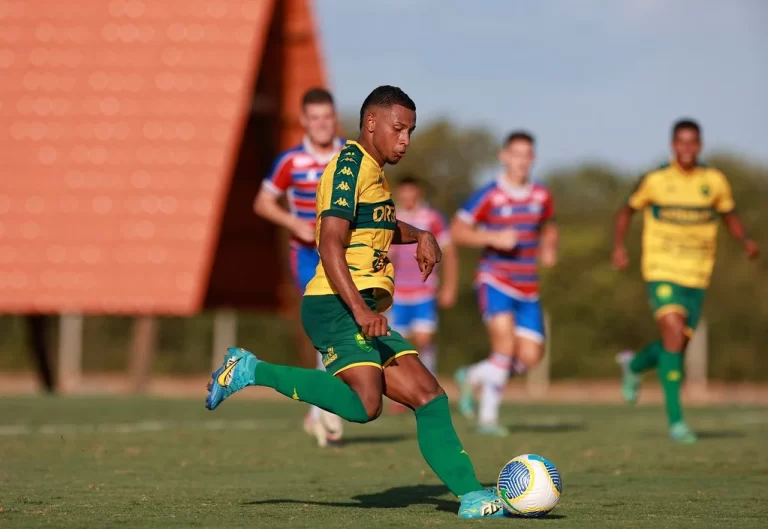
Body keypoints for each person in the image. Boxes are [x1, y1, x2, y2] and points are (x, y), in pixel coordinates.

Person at [206, 85, 506, 519]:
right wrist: (362, 310)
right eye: (398, 129)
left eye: (411, 132)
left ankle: (472, 497)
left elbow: (380, 224)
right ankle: (251, 369)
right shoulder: (349, 166)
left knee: (428, 394)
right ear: (371, 124)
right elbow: (329, 243)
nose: (405, 139)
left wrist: (421, 234)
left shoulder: (375, 173)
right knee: (367, 405)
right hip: (336, 304)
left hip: (358, 306)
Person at [613, 118, 759, 444]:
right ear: (673, 146)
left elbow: (729, 214)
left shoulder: (714, 181)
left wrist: (745, 240)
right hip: (661, 269)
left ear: (699, 146)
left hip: (698, 275)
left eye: (693, 142)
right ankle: (677, 421)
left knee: (675, 346)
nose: (687, 148)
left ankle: (634, 365)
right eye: (681, 142)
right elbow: (626, 211)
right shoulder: (655, 180)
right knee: (673, 333)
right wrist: (619, 247)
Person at [253, 87, 345, 447]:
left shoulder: (350, 157)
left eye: (327, 117)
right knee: (329, 331)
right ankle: (327, 411)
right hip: (307, 256)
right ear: (304, 121)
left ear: (334, 118)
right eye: (315, 118)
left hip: (345, 254)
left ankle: (318, 410)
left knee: (343, 333)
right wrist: (294, 223)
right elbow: (262, 203)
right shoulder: (291, 161)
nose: (322, 124)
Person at [451, 131, 558, 437]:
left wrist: (549, 247)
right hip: (494, 279)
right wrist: (493, 237)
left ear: (532, 159)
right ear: (504, 156)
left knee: (529, 358)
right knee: (505, 347)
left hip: (528, 288)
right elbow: (457, 231)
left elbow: (549, 226)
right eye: (516, 154)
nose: (522, 161)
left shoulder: (541, 195)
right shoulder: (490, 194)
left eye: (527, 155)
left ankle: (472, 375)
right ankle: (488, 418)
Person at [386, 176, 458, 413]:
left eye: (412, 193)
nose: (408, 197)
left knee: (425, 339)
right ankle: (403, 393)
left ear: (419, 193)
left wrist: (449, 286)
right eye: (404, 193)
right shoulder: (390, 216)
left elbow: (449, 251)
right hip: (397, 292)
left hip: (424, 290)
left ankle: (429, 387)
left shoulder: (433, 218)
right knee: (400, 345)